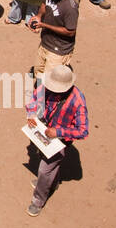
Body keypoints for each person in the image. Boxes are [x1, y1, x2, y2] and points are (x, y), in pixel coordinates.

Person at [24, 64, 88, 216]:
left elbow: (83, 130)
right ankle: (52, 182)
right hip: (44, 130)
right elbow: (33, 98)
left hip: (60, 140)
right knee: (43, 159)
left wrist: (58, 131)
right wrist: (31, 114)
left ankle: (38, 200)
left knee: (44, 170)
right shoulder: (45, 87)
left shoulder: (78, 100)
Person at [28, 0, 78, 84]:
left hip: (59, 50)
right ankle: (40, 94)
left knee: (51, 80)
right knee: (38, 71)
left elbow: (70, 32)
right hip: (45, 43)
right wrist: (39, 16)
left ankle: (50, 99)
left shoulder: (70, 7)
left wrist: (44, 25)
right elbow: (43, 4)